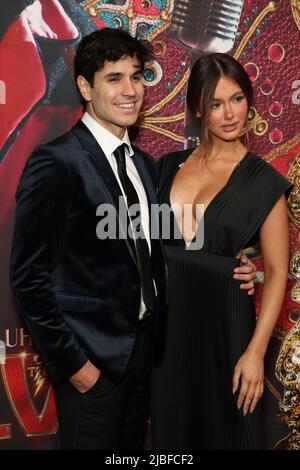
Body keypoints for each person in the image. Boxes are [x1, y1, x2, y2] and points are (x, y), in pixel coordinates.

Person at [9, 29, 255, 450]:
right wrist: (76, 366)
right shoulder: (57, 161)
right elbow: (28, 276)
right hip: (91, 366)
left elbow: (163, 247)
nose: (130, 91)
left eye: (137, 77)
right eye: (114, 78)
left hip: (145, 356)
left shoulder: (144, 165)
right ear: (85, 87)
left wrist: (235, 264)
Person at [151, 53, 292, 450]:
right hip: (169, 337)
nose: (230, 114)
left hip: (228, 332)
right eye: (216, 103)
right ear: (198, 107)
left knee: (230, 436)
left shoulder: (264, 182)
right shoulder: (167, 167)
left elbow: (278, 271)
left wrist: (255, 353)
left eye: (238, 99)